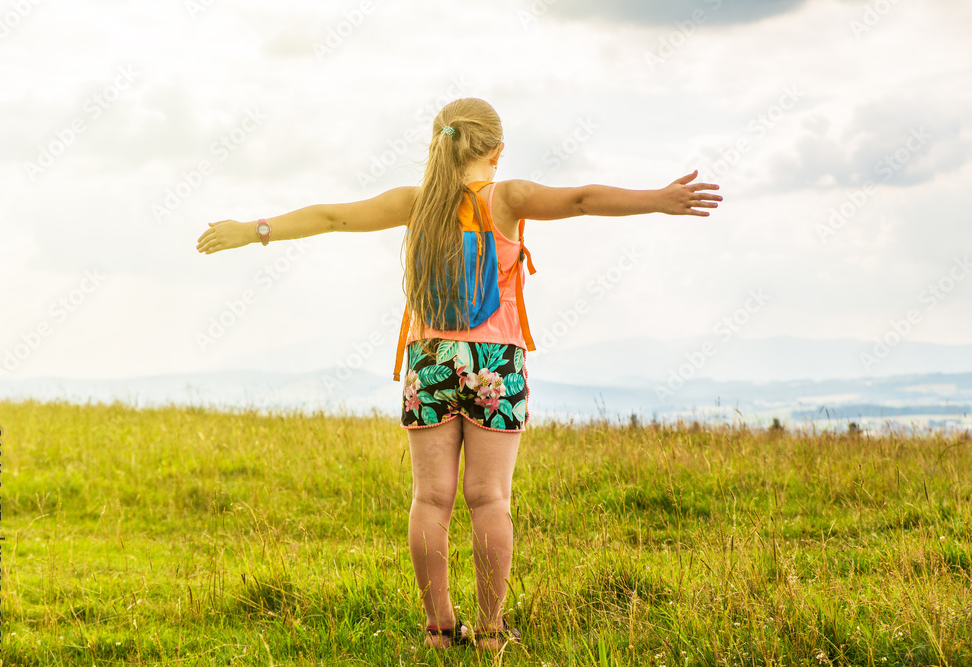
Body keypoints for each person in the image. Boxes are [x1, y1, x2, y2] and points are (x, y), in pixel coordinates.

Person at [195, 97, 722, 651]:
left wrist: (252, 229)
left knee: (430, 499)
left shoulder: (414, 202)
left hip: (430, 360)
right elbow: (583, 199)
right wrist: (659, 199)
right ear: (496, 151)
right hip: (494, 364)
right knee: (489, 498)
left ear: (437, 144)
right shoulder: (508, 197)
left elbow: (331, 217)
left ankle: (440, 630)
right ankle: (491, 631)